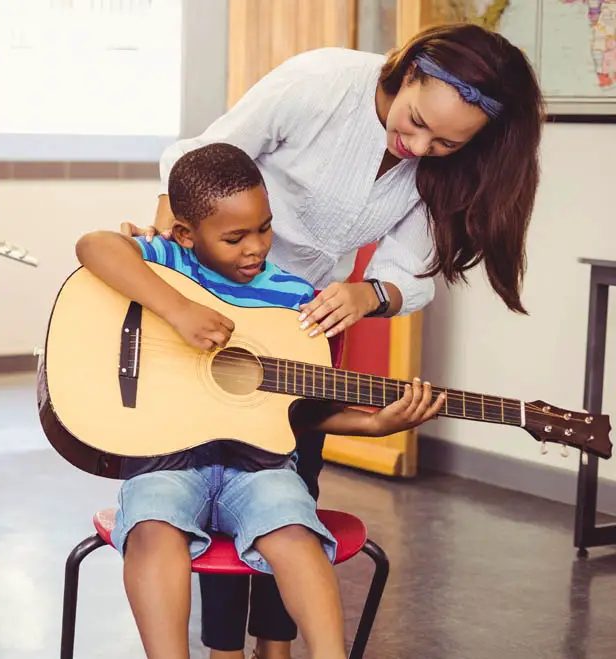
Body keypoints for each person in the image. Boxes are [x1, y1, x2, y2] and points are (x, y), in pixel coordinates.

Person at [121, 23, 543, 658]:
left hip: (300, 322)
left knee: (286, 485)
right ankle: (223, 650)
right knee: (199, 468)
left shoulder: (441, 169)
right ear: (412, 71)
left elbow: (411, 272)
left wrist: (367, 295)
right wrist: (168, 279)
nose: (420, 145)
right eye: (416, 119)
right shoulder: (321, 83)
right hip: (207, 304)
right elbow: (200, 159)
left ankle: (276, 647)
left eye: (445, 142)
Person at [79, 142, 445, 659]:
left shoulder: (294, 296)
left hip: (259, 466)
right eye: (235, 237)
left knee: (293, 526)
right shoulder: (168, 261)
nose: (255, 247)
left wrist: (375, 425)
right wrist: (179, 311)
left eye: (265, 228)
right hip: (168, 458)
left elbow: (306, 408)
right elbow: (94, 246)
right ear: (187, 233)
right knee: (153, 528)